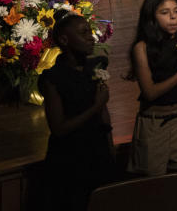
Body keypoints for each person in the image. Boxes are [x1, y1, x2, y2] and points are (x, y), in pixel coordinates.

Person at [38, 14, 115, 211]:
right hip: (70, 158)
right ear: (64, 40)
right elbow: (59, 128)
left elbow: (104, 115)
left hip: (97, 151)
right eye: (83, 33)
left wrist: (110, 147)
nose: (91, 37)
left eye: (90, 32)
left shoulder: (95, 67)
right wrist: (96, 107)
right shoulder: (54, 78)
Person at [126, 0, 177, 176]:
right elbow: (150, 92)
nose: (173, 17)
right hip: (153, 125)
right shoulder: (141, 48)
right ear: (151, 17)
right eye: (165, 12)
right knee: (152, 187)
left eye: (176, 11)